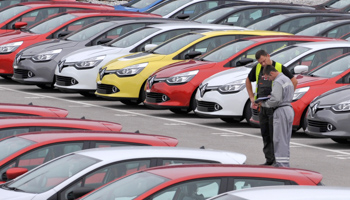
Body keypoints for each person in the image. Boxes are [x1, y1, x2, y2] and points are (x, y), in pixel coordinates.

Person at [245, 50, 297, 165]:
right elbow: (248, 80)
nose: (263, 64)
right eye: (260, 62)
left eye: (264, 61)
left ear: (268, 56)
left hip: (274, 107)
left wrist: (286, 97)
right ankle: (269, 160)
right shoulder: (257, 68)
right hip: (262, 107)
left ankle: (277, 161)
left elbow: (293, 81)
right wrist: (252, 98)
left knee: (276, 135)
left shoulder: (278, 68)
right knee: (266, 134)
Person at [260, 65, 294, 167]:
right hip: (288, 109)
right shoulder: (287, 79)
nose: (269, 80)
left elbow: (276, 99)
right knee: (285, 139)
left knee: (279, 139)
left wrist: (264, 104)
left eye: (268, 77)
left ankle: (281, 164)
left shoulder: (278, 81)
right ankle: (284, 162)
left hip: (281, 110)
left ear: (272, 73)